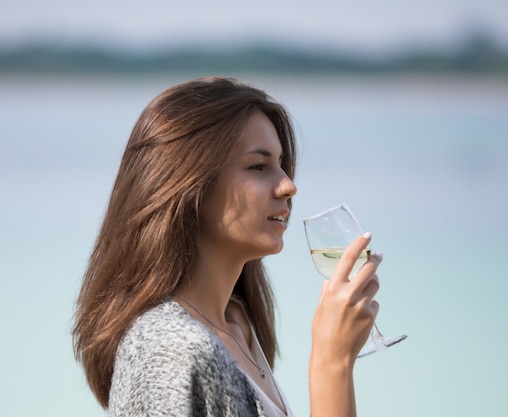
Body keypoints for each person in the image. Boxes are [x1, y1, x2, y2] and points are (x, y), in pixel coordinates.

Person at [72, 76, 382, 417]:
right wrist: (331, 362)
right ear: (188, 185)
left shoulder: (238, 323)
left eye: (281, 165)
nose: (288, 186)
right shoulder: (170, 349)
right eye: (258, 166)